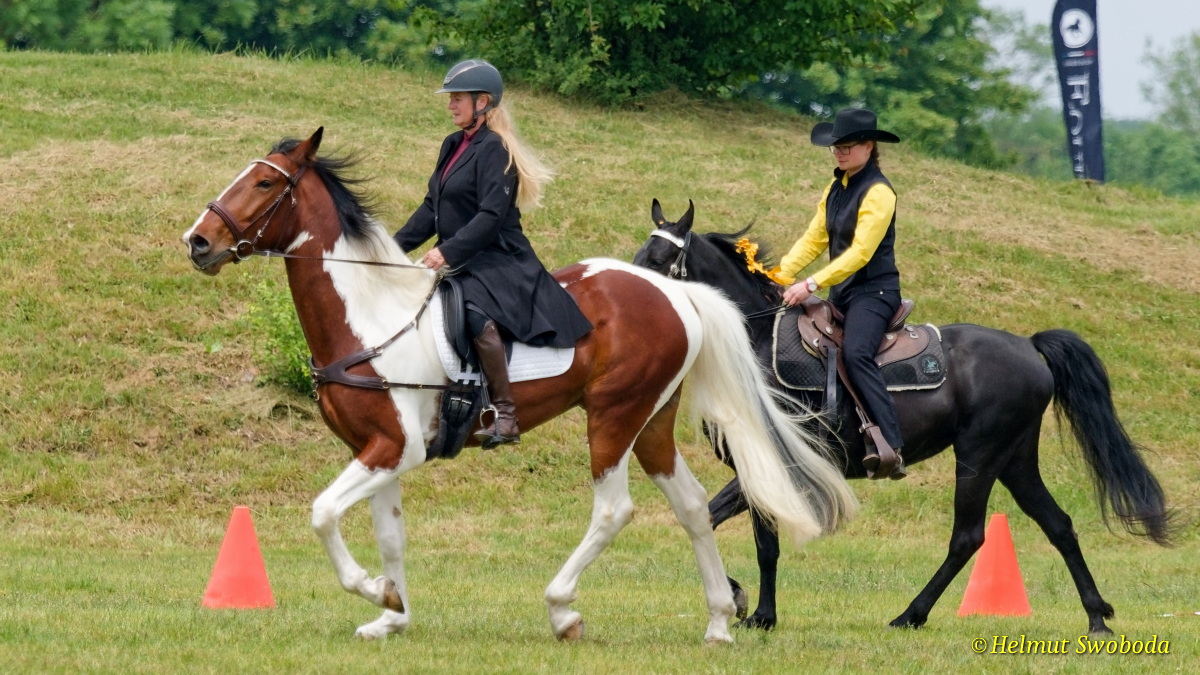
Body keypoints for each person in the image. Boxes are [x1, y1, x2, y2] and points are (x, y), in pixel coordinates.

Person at [394, 59, 592, 448]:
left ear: (482, 102)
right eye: (450, 98)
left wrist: (446, 252)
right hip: (468, 257)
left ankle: (505, 413)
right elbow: (431, 207)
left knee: (475, 313)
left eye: (458, 98)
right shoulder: (453, 144)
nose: (450, 105)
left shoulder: (495, 150)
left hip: (499, 258)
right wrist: (390, 248)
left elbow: (490, 217)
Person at [778, 107, 906, 479]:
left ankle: (892, 445)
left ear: (869, 146)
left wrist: (810, 284)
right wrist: (778, 274)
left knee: (856, 353)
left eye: (847, 146)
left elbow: (861, 252)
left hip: (875, 292)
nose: (839, 152)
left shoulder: (879, 192)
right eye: (836, 147)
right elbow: (814, 238)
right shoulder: (835, 188)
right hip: (843, 293)